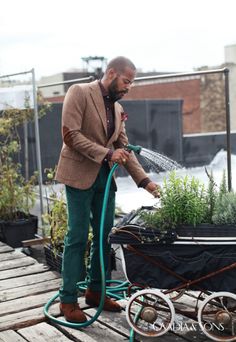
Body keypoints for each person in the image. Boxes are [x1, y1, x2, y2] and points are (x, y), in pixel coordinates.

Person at [55, 56, 160, 323]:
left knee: (104, 236)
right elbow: (70, 134)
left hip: (105, 178)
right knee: (77, 236)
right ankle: (67, 300)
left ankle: (95, 291)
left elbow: (124, 148)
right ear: (111, 73)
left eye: (132, 83)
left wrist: (146, 182)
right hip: (79, 174)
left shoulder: (117, 108)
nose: (129, 87)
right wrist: (106, 153)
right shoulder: (79, 92)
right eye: (127, 81)